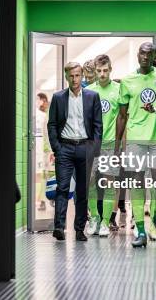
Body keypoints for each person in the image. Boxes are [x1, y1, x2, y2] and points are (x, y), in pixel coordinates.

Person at [115, 42, 156, 248]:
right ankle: (140, 230)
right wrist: (117, 145)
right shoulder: (127, 81)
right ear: (138, 55)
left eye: (150, 54)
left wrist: (155, 109)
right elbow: (121, 116)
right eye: (143, 53)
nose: (145, 57)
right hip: (136, 139)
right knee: (137, 183)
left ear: (154, 56)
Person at [48, 62, 102, 241]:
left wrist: (94, 149)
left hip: (85, 148)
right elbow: (53, 124)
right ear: (66, 77)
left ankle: (79, 229)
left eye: (77, 75)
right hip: (65, 148)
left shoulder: (93, 97)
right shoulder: (58, 97)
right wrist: (57, 147)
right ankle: (59, 227)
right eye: (71, 75)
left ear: (82, 76)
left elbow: (97, 125)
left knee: (82, 190)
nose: (75, 79)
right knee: (62, 188)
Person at [86, 55, 121, 237]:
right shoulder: (89, 91)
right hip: (92, 144)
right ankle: (95, 218)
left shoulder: (118, 89)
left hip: (110, 144)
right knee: (90, 181)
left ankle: (106, 222)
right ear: (95, 71)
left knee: (109, 182)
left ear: (110, 69)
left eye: (105, 70)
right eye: (99, 71)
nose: (102, 74)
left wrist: (119, 146)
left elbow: (123, 118)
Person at [35, 93, 51, 211]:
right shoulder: (40, 115)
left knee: (45, 175)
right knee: (43, 175)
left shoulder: (46, 114)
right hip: (43, 150)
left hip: (47, 150)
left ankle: (44, 200)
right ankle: (42, 200)